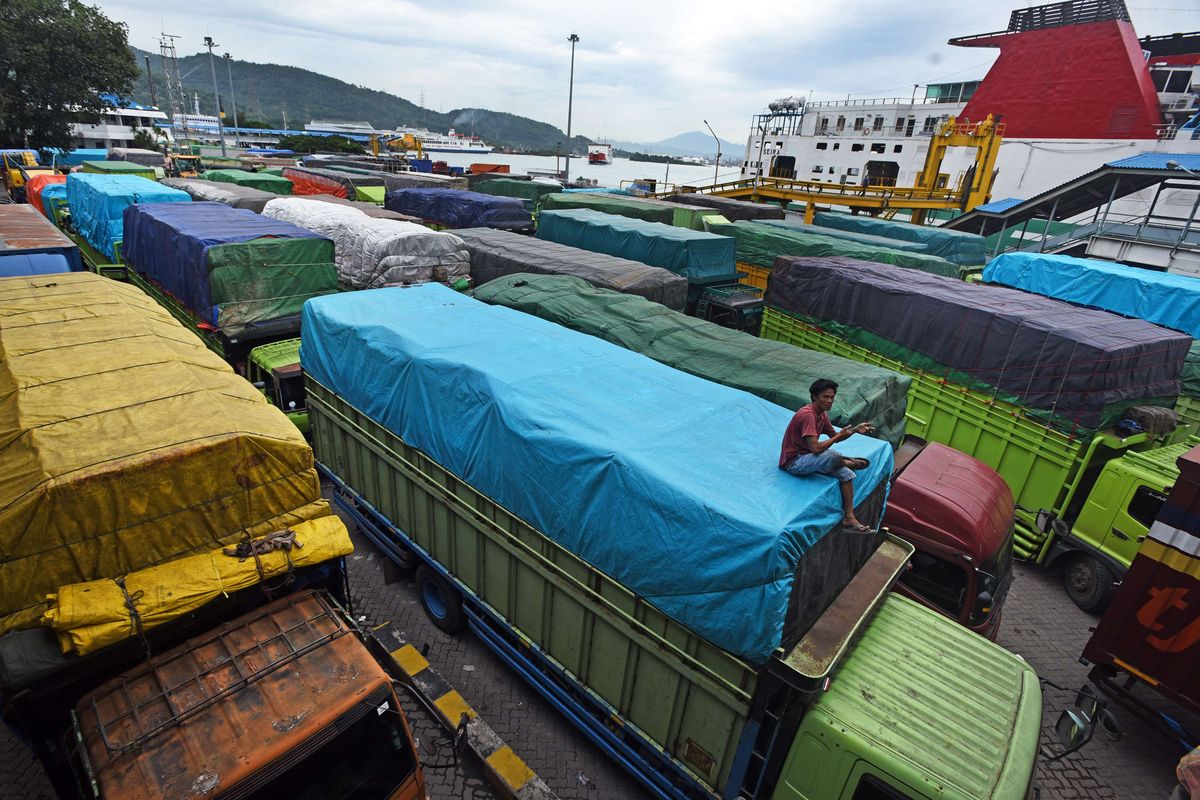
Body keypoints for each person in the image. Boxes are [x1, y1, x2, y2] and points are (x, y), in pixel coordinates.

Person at [779, 378, 875, 532]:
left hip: (810, 458)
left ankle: (849, 517)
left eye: (832, 397)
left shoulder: (821, 415)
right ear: (815, 397)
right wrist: (837, 438)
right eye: (826, 397)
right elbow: (816, 448)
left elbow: (836, 435)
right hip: (794, 463)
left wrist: (856, 429)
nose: (830, 401)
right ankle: (846, 461)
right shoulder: (807, 415)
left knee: (847, 475)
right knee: (832, 455)